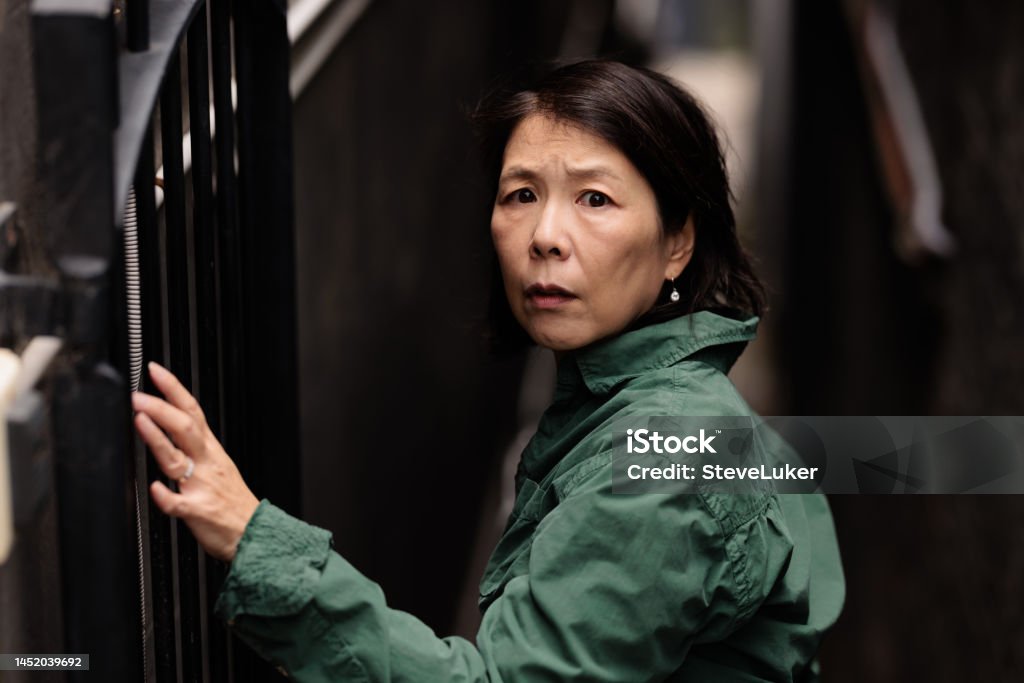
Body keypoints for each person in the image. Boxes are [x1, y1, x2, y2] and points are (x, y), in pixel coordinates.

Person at [131, 60, 845, 681]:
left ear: (678, 242)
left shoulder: (664, 464)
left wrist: (253, 538)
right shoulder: (651, 406)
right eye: (520, 194)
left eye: (595, 199)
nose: (545, 237)